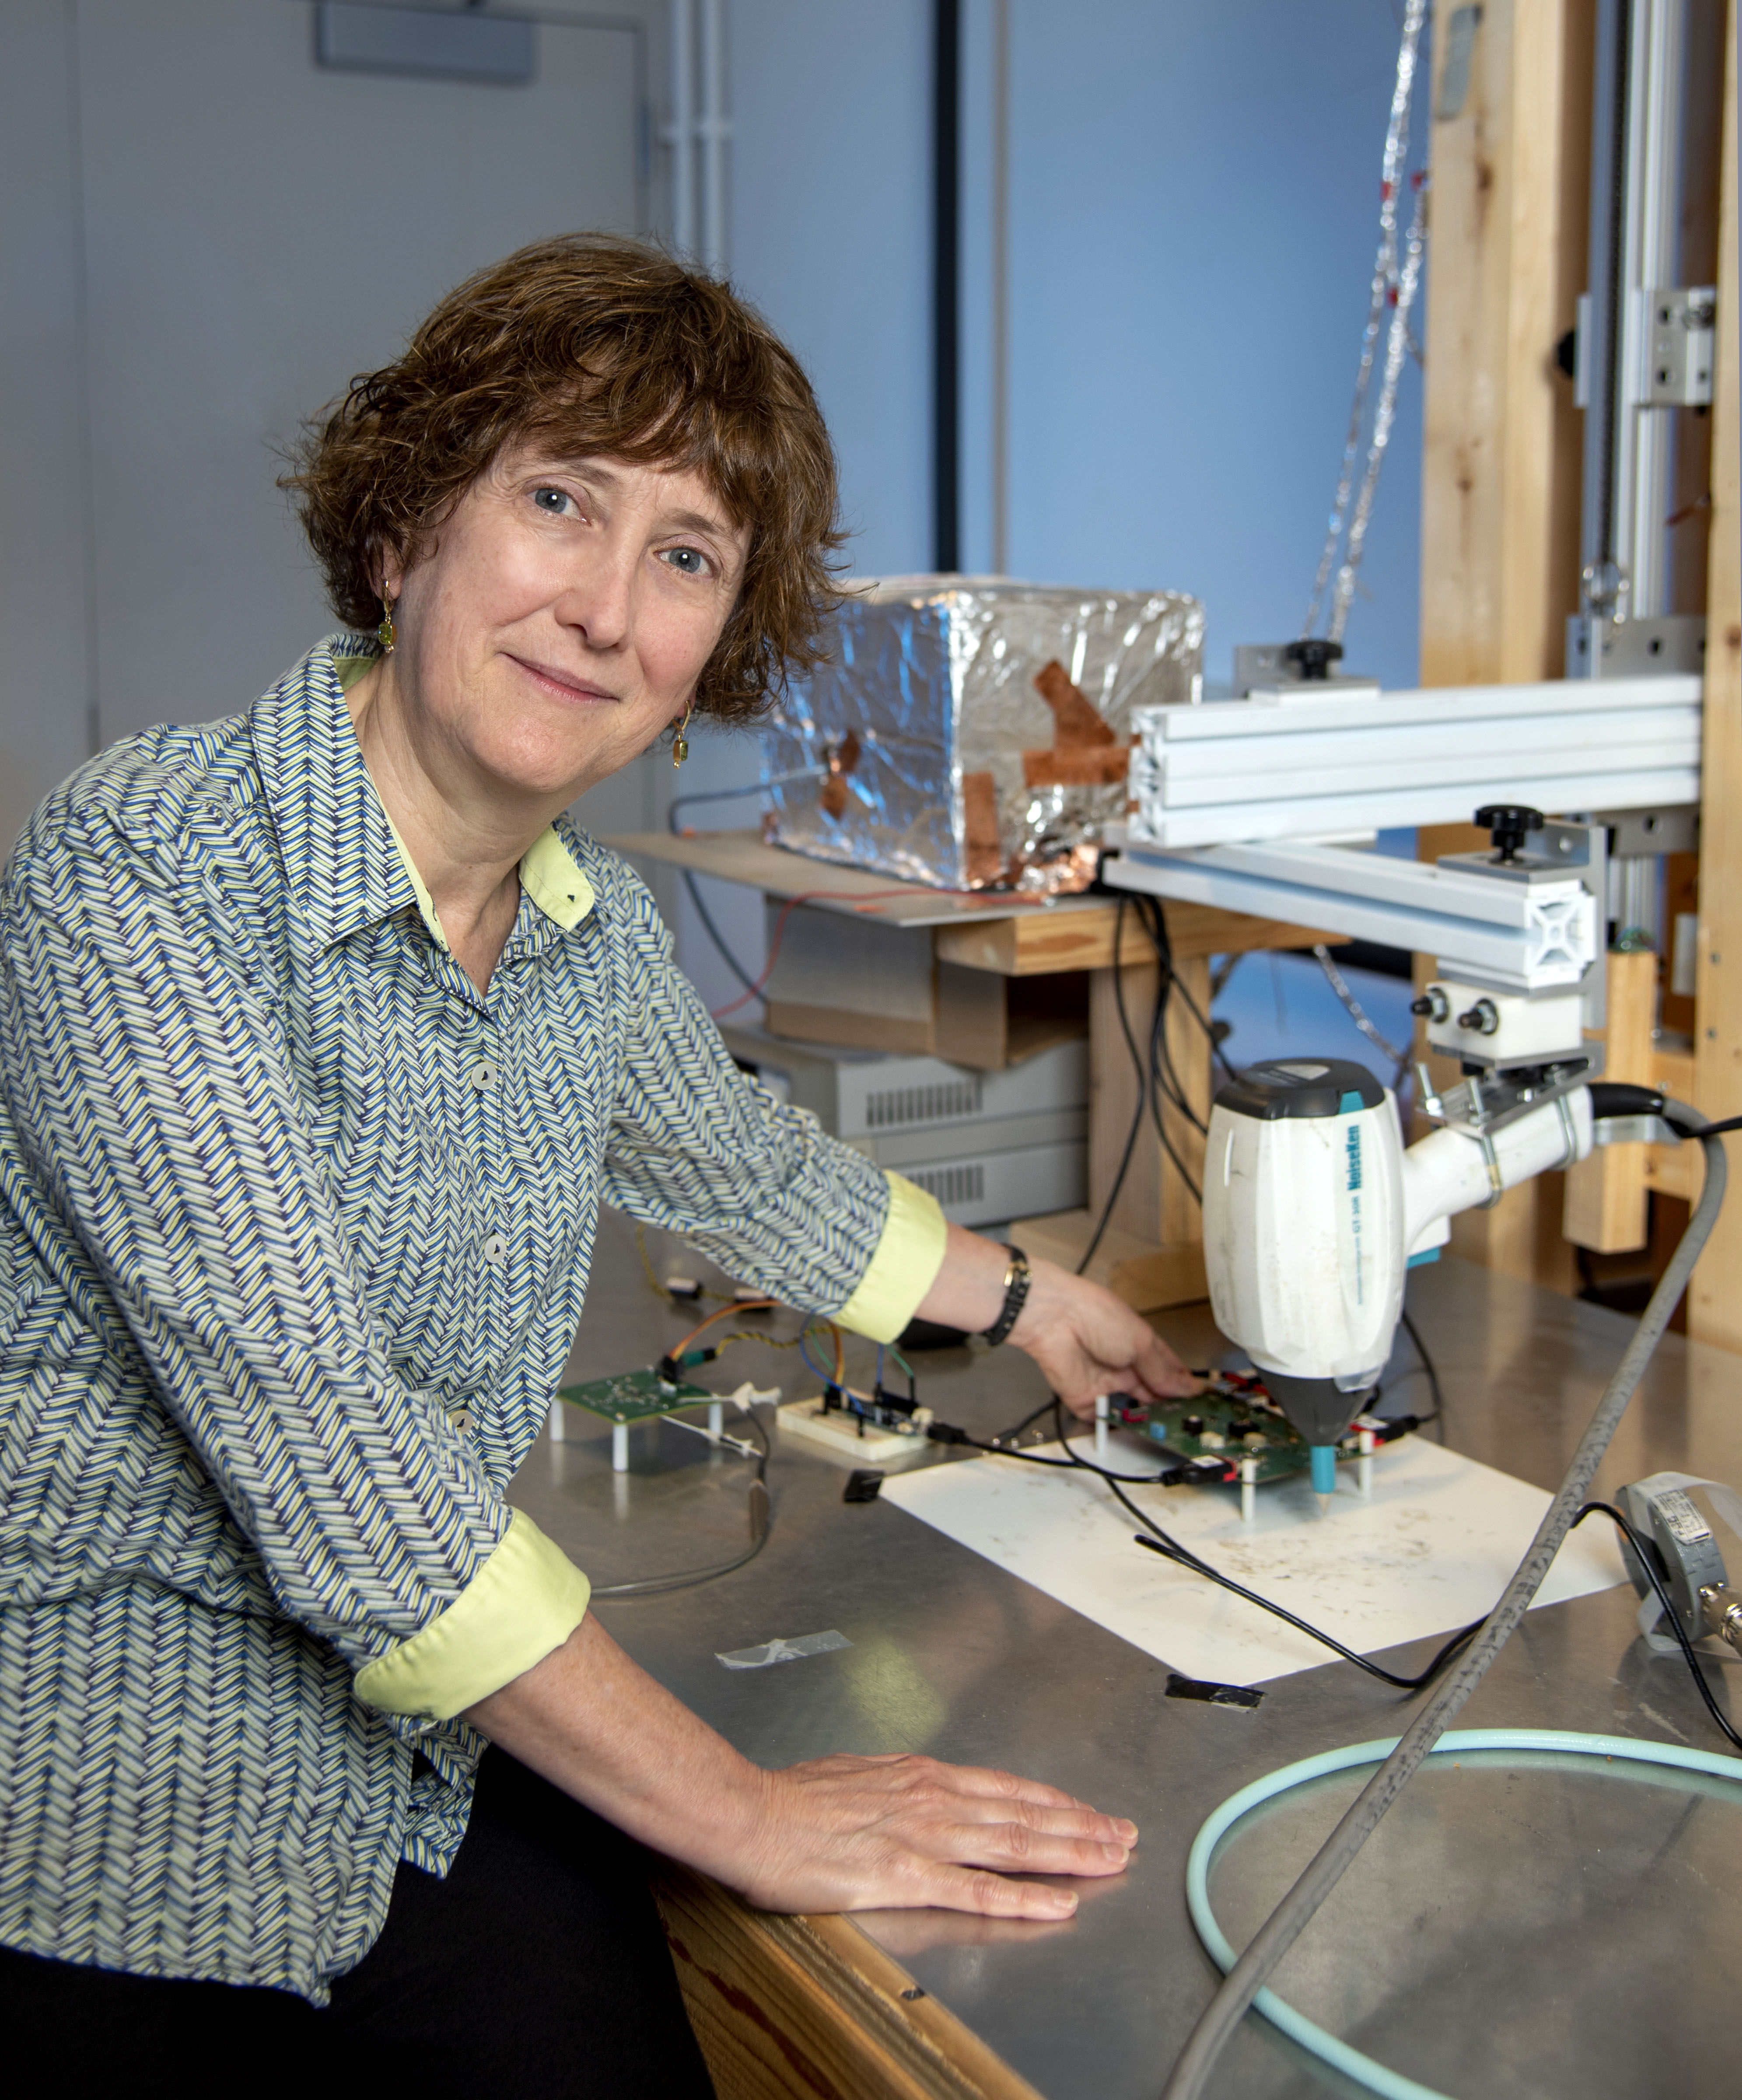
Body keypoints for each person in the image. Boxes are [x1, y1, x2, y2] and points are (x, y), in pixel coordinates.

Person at [0, 235, 1198, 2092]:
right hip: (108, 1833)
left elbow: (740, 1168)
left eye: (688, 557)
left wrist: (1042, 1305)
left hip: (419, 1766)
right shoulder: (141, 874)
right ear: (404, 531)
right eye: (560, 500)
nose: (606, 608)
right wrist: (745, 1813)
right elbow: (340, 1477)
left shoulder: (590, 927)